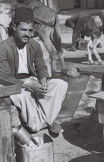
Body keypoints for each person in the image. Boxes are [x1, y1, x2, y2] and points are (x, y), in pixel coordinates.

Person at [0, 7, 68, 135]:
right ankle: (36, 126)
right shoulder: (3, 47)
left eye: (30, 30)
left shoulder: (34, 45)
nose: (27, 34)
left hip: (31, 79)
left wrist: (43, 79)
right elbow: (3, 76)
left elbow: (41, 67)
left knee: (60, 85)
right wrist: (28, 86)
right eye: (23, 30)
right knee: (22, 95)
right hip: (12, 83)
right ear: (14, 27)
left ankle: (46, 121)